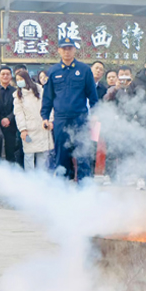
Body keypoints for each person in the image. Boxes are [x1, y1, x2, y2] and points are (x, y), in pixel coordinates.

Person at [41, 38, 99, 183]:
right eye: (64, 48)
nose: (67, 51)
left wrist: (95, 115)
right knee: (62, 154)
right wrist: (45, 117)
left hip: (80, 118)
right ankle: (63, 187)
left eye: (70, 48)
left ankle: (84, 187)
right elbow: (48, 97)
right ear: (59, 50)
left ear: (74, 50)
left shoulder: (84, 70)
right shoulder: (53, 71)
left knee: (82, 153)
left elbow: (92, 95)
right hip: (60, 119)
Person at [13, 69, 53, 170]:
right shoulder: (18, 95)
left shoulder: (40, 90)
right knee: (29, 155)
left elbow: (48, 106)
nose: (19, 81)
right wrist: (23, 129)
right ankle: (30, 180)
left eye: (21, 79)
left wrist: (50, 120)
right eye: (17, 80)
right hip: (28, 128)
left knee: (43, 154)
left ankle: (41, 178)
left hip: (42, 125)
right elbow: (19, 113)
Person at [0, 66, 18, 163]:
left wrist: (9, 118)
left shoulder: (16, 91)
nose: (5, 76)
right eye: (3, 74)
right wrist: (0, 118)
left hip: (11, 124)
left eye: (8, 74)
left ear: (11, 76)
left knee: (11, 151)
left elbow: (18, 108)